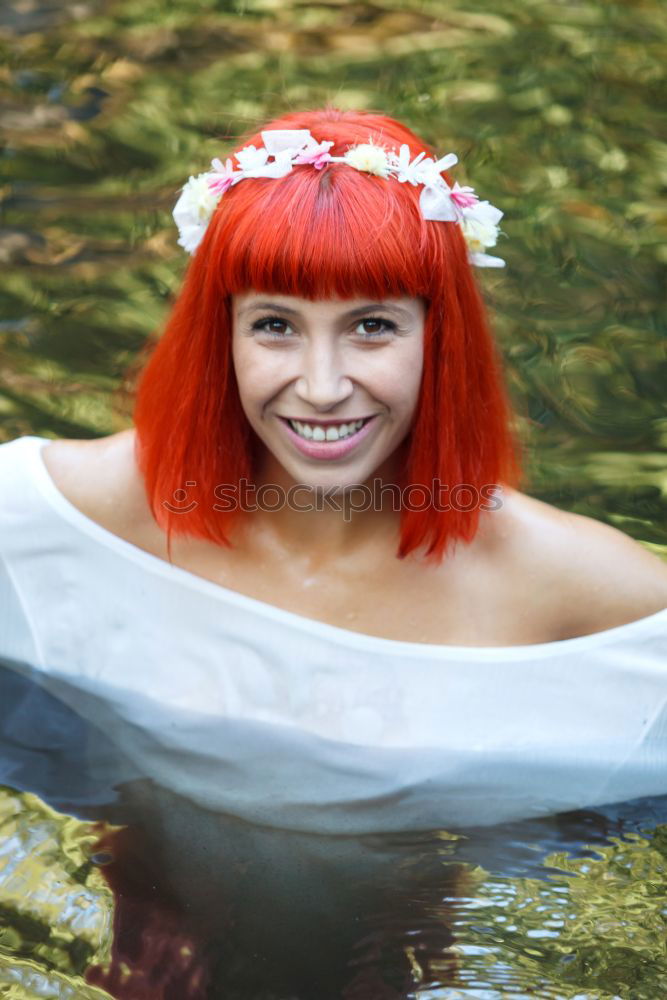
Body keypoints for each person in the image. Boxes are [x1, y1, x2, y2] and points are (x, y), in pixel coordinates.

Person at [1, 106, 667, 834]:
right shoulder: (45, 520)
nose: (321, 387)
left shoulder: (594, 599)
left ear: (438, 340)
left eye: (372, 326)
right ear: (218, 335)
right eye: (275, 325)